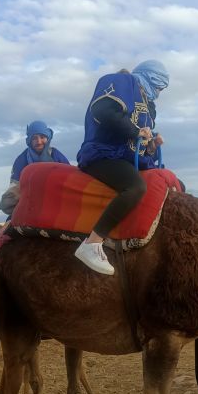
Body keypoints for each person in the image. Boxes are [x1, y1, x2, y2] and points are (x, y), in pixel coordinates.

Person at [74, 60, 169, 274]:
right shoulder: (120, 82)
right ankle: (93, 243)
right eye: (159, 87)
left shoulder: (147, 105)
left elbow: (138, 146)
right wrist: (136, 131)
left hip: (124, 157)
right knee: (135, 187)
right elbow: (103, 110)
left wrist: (151, 146)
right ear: (151, 77)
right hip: (103, 153)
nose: (159, 93)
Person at [0, 120, 70, 216]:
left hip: (55, 194)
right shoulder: (21, 159)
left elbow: (70, 178)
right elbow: (14, 184)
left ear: (48, 138)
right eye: (34, 138)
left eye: (42, 137)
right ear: (29, 141)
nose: (39, 141)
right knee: (6, 202)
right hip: (29, 196)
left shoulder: (56, 155)